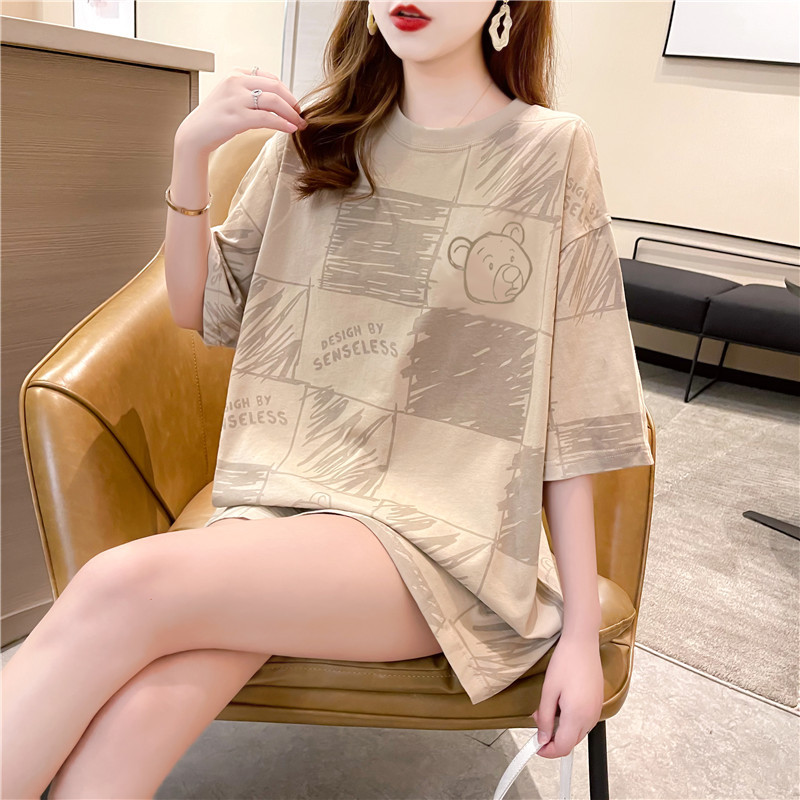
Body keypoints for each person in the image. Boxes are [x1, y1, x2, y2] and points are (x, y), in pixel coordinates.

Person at [1, 1, 654, 798]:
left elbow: (572, 412)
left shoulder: (549, 151)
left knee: (116, 588)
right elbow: (198, 306)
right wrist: (190, 153)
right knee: (143, 712)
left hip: (438, 543)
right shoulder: (314, 140)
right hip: (279, 503)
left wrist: (581, 637)